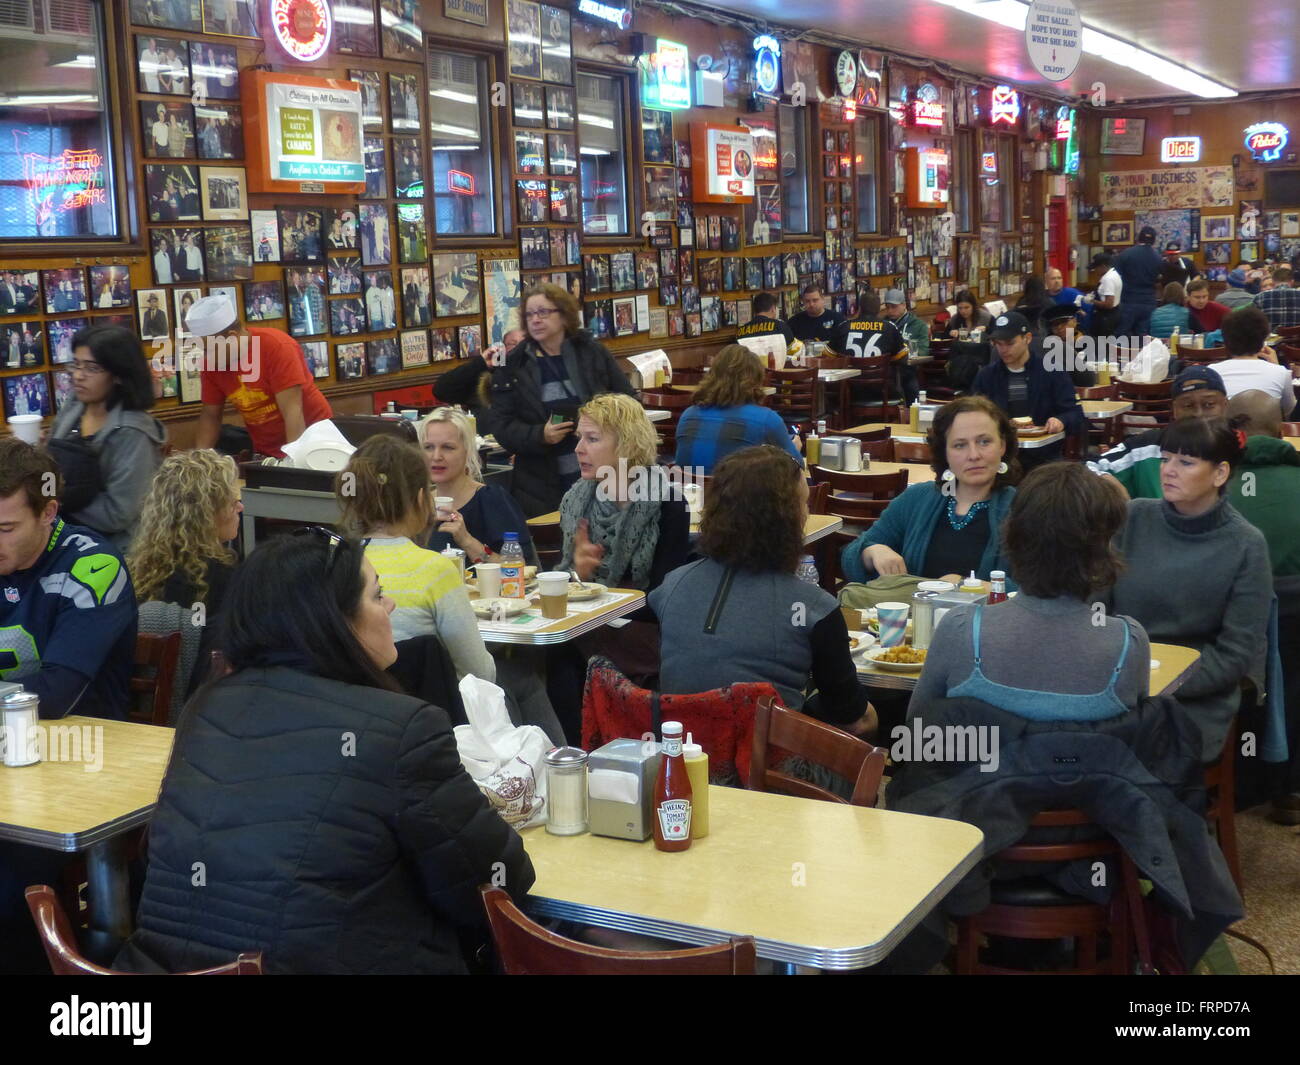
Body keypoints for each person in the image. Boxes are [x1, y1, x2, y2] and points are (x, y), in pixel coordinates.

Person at [114, 532, 534, 975]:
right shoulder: (403, 728)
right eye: (378, 596)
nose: (390, 607)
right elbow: (498, 883)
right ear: (332, 621)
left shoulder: (205, 707)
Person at [652, 446, 875, 734]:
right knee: (869, 721)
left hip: (682, 760)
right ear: (788, 519)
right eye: (804, 505)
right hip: (769, 767)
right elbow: (851, 717)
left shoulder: (671, 587)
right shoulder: (814, 607)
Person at [909, 461, 1149, 722]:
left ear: (1013, 535)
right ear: (1103, 549)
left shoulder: (960, 628)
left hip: (977, 762)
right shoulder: (1128, 642)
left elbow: (917, 731)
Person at [1108, 418, 1273, 763]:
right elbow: (1094, 610)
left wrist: (1160, 685)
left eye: (1185, 462)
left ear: (1220, 473)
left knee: (1133, 759)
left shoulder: (1246, 545)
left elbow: (1236, 654)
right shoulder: (1132, 517)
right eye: (1165, 458)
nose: (1168, 470)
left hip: (1193, 694)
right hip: (1116, 681)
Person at [548, 393, 692, 739]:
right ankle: (570, 751)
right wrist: (577, 576)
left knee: (559, 659)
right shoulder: (577, 499)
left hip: (644, 634)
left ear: (626, 445)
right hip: (588, 626)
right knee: (541, 659)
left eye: (592, 439)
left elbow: (662, 597)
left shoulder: (667, 502)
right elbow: (562, 582)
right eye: (579, 438)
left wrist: (598, 597)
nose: (579, 448)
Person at [335, 435, 495, 684]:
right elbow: (480, 673)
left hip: (353, 706)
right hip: (430, 711)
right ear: (422, 499)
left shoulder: (333, 563)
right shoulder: (435, 569)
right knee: (524, 680)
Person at [0, 439, 135, 720]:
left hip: (86, 744)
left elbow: (54, 695)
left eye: (6, 528)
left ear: (47, 513)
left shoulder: (94, 566)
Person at [486, 283, 636, 517]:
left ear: (564, 315)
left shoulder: (591, 352)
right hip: (542, 484)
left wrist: (601, 423)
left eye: (543, 312)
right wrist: (540, 435)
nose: (535, 320)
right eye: (529, 314)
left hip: (603, 475)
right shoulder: (512, 364)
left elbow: (628, 401)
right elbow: (501, 425)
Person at [841, 396, 1018, 586]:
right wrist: (872, 551)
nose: (974, 455)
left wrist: (970, 587)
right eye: (960, 445)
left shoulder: (1024, 509)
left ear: (1002, 445)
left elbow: (1044, 589)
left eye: (984, 442)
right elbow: (850, 558)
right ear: (945, 453)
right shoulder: (916, 498)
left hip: (987, 616)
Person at [1225, 391, 1300, 822]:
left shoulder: (1214, 486)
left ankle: (1245, 779)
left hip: (1234, 635)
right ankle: (1289, 787)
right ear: (1280, 429)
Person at [127, 449, 242, 696]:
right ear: (207, 513)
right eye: (233, 502)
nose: (240, 507)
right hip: (201, 705)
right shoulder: (227, 579)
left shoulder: (135, 570)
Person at [47, 326, 166, 551]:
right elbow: (48, 466)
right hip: (64, 539)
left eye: (92, 368)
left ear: (119, 375)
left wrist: (54, 499)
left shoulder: (134, 432)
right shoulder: (75, 406)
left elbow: (118, 513)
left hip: (116, 552)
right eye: (76, 364)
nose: (78, 375)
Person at [188, 294, 334, 458]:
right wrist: (199, 459)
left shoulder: (276, 347)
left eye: (209, 349)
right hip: (267, 450)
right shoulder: (212, 363)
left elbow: (293, 412)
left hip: (315, 442)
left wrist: (295, 464)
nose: (206, 356)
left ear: (232, 337)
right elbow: (210, 415)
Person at [1089, 365, 1227, 500]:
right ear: (1174, 410)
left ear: (1225, 405)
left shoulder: (1238, 449)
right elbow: (1087, 469)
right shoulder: (1145, 448)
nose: (1198, 414)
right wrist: (1106, 481)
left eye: (1209, 404)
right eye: (1188, 406)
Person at [420, 406, 536, 564]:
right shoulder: (418, 503)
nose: (436, 456)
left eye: (448, 447)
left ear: (467, 451)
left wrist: (466, 540)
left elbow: (520, 568)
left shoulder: (491, 499)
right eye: (428, 447)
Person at [970, 311, 1084, 467]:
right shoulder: (986, 376)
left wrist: (1061, 420)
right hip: (999, 458)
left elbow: (1076, 414)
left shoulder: (1052, 371)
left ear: (1027, 338)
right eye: (998, 343)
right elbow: (973, 415)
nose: (1003, 349)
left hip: (1043, 459)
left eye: (1010, 343)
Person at [673, 343, 802, 474]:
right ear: (755, 381)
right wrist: (795, 449)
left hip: (691, 492)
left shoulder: (688, 416)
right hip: (734, 493)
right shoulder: (766, 420)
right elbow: (796, 466)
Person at [1212, 305, 1296, 417]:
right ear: (1263, 340)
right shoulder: (1281, 373)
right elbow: (1289, 411)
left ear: (1226, 340)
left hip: (1225, 432)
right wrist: (1276, 367)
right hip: (1267, 430)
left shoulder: (1211, 372)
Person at [433, 328, 522, 413]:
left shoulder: (533, 375)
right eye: (512, 344)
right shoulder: (486, 376)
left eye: (523, 344)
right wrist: (481, 362)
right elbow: (440, 390)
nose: (519, 348)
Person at [1112, 225, 1163, 337]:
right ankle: (1141, 355)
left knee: (1122, 335)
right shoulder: (1158, 258)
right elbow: (1160, 280)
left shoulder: (1126, 254)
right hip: (1149, 301)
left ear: (1138, 238)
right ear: (1154, 241)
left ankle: (1122, 354)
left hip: (1128, 300)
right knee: (1143, 336)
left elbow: (1115, 276)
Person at [1042, 302, 1095, 386]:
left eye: (1064, 322)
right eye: (1055, 324)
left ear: (1074, 321)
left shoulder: (1090, 343)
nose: (1059, 327)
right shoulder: (1047, 348)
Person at [1252, 265, 1300, 329]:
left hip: (1268, 337)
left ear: (1273, 281)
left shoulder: (1259, 298)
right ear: (1292, 281)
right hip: (1297, 337)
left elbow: (1253, 323)